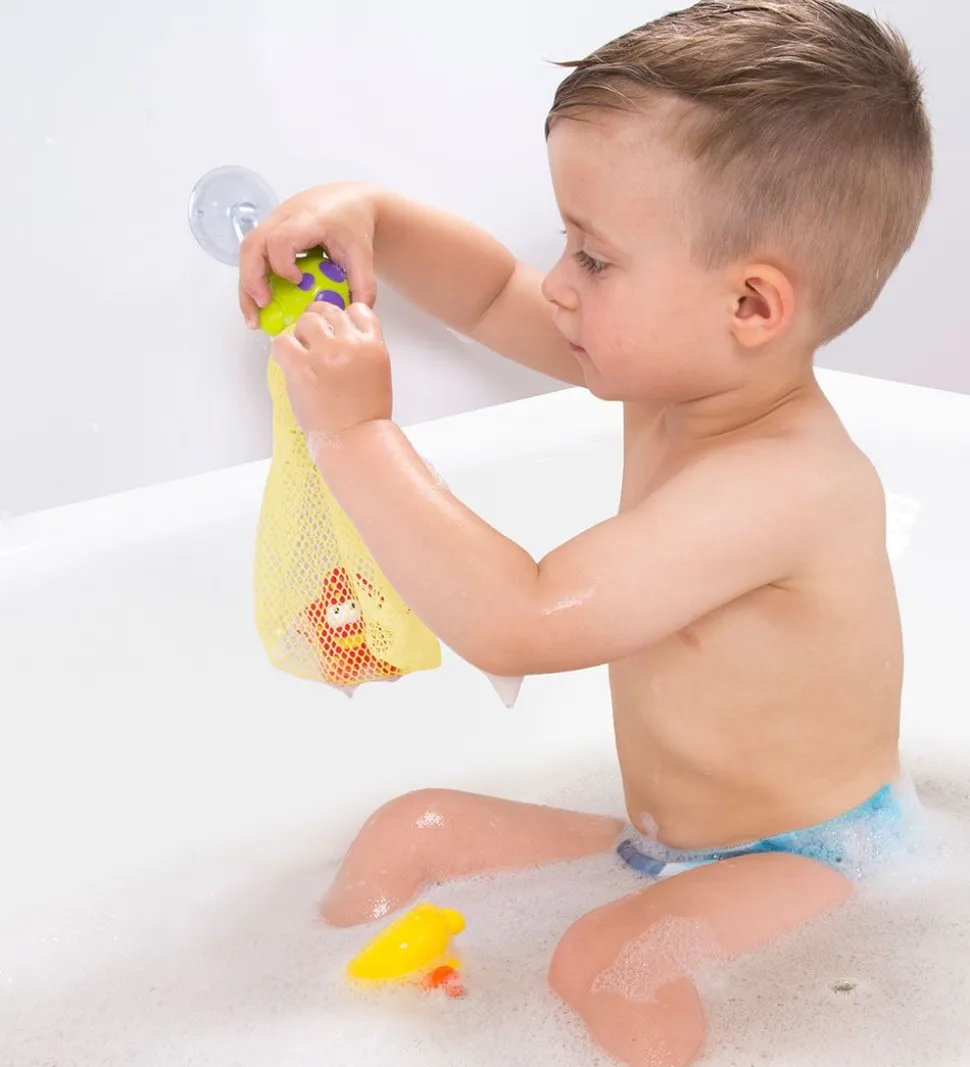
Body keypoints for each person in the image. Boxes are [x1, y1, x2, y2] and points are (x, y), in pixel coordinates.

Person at [237, 2, 933, 1063]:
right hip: (660, 844)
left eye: (594, 258)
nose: (558, 283)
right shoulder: (675, 379)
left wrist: (356, 431)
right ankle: (323, 1031)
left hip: (811, 858)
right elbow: (487, 295)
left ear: (751, 305)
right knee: (411, 828)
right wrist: (368, 213)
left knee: (607, 964)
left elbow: (522, 621)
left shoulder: (783, 482)